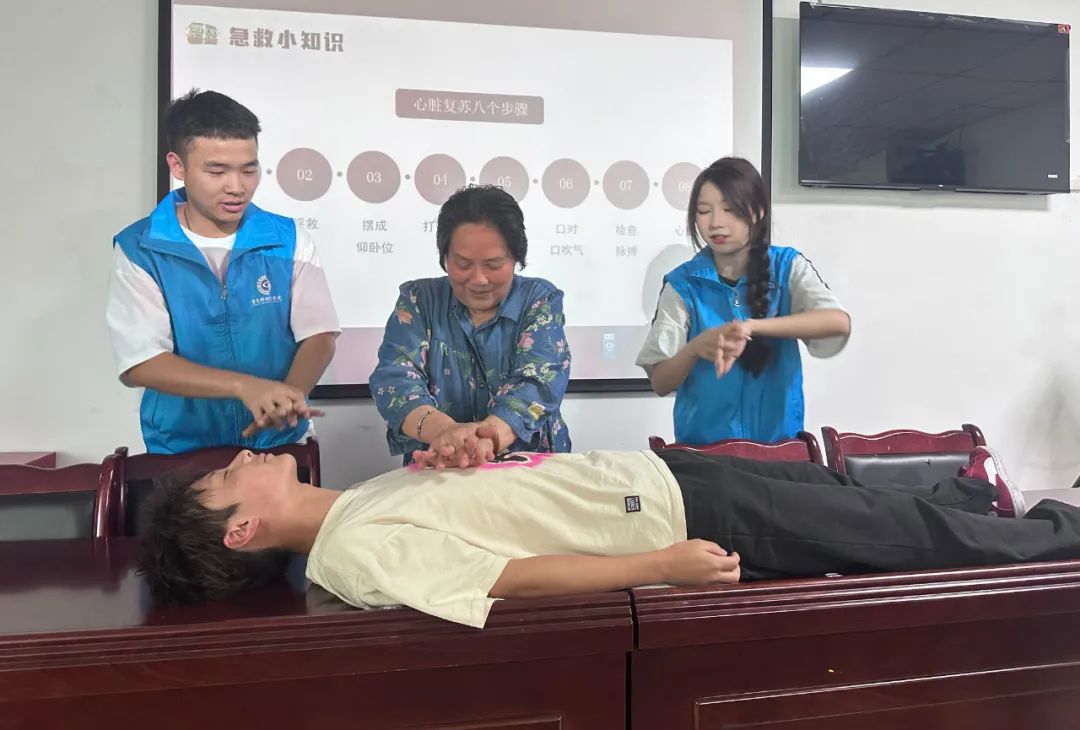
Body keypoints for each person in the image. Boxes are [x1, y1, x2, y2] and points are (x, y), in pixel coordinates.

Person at [139, 442, 1080, 630]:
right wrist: (658, 568)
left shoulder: (359, 502)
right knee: (895, 533)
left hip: (660, 476)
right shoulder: (352, 553)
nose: (246, 457)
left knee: (855, 494)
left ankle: (993, 502)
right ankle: (1059, 536)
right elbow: (505, 577)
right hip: (678, 522)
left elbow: (494, 504)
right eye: (227, 478)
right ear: (242, 530)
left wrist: (475, 445)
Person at [107, 90, 340, 454]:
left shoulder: (288, 239)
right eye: (217, 171)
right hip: (182, 450)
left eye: (249, 170)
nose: (237, 187)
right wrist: (244, 387)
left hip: (279, 446)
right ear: (177, 166)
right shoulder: (141, 248)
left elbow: (319, 335)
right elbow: (141, 362)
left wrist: (289, 396)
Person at [637, 157, 851, 445]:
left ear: (758, 211)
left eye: (729, 209)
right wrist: (695, 348)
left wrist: (751, 327)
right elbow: (661, 382)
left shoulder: (787, 266)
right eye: (704, 211)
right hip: (704, 455)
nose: (715, 223)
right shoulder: (682, 284)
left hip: (779, 450)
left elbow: (837, 321)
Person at [370, 184, 571, 467]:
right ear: (445, 257)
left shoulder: (538, 300)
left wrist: (483, 441)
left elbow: (538, 382)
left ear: (516, 258)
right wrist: (445, 433)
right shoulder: (419, 300)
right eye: (463, 263)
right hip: (439, 467)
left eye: (493, 264)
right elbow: (395, 380)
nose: (478, 279)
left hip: (530, 468)